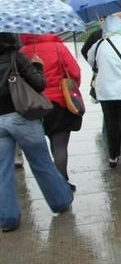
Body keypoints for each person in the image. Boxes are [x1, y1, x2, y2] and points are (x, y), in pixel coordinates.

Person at [0, 33, 74, 232]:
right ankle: (60, 201)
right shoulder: (17, 57)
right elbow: (40, 84)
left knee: (2, 171)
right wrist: (38, 66)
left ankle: (8, 219)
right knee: (41, 163)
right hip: (21, 117)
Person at [19, 33, 83, 189]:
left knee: (41, 149)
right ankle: (62, 182)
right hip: (60, 103)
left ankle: (53, 183)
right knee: (60, 146)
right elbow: (74, 72)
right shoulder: (58, 47)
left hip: (34, 105)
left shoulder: (22, 52)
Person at [88, 14, 121, 175]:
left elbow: (93, 63)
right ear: (120, 27)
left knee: (112, 124)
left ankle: (113, 157)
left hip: (106, 93)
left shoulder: (97, 46)